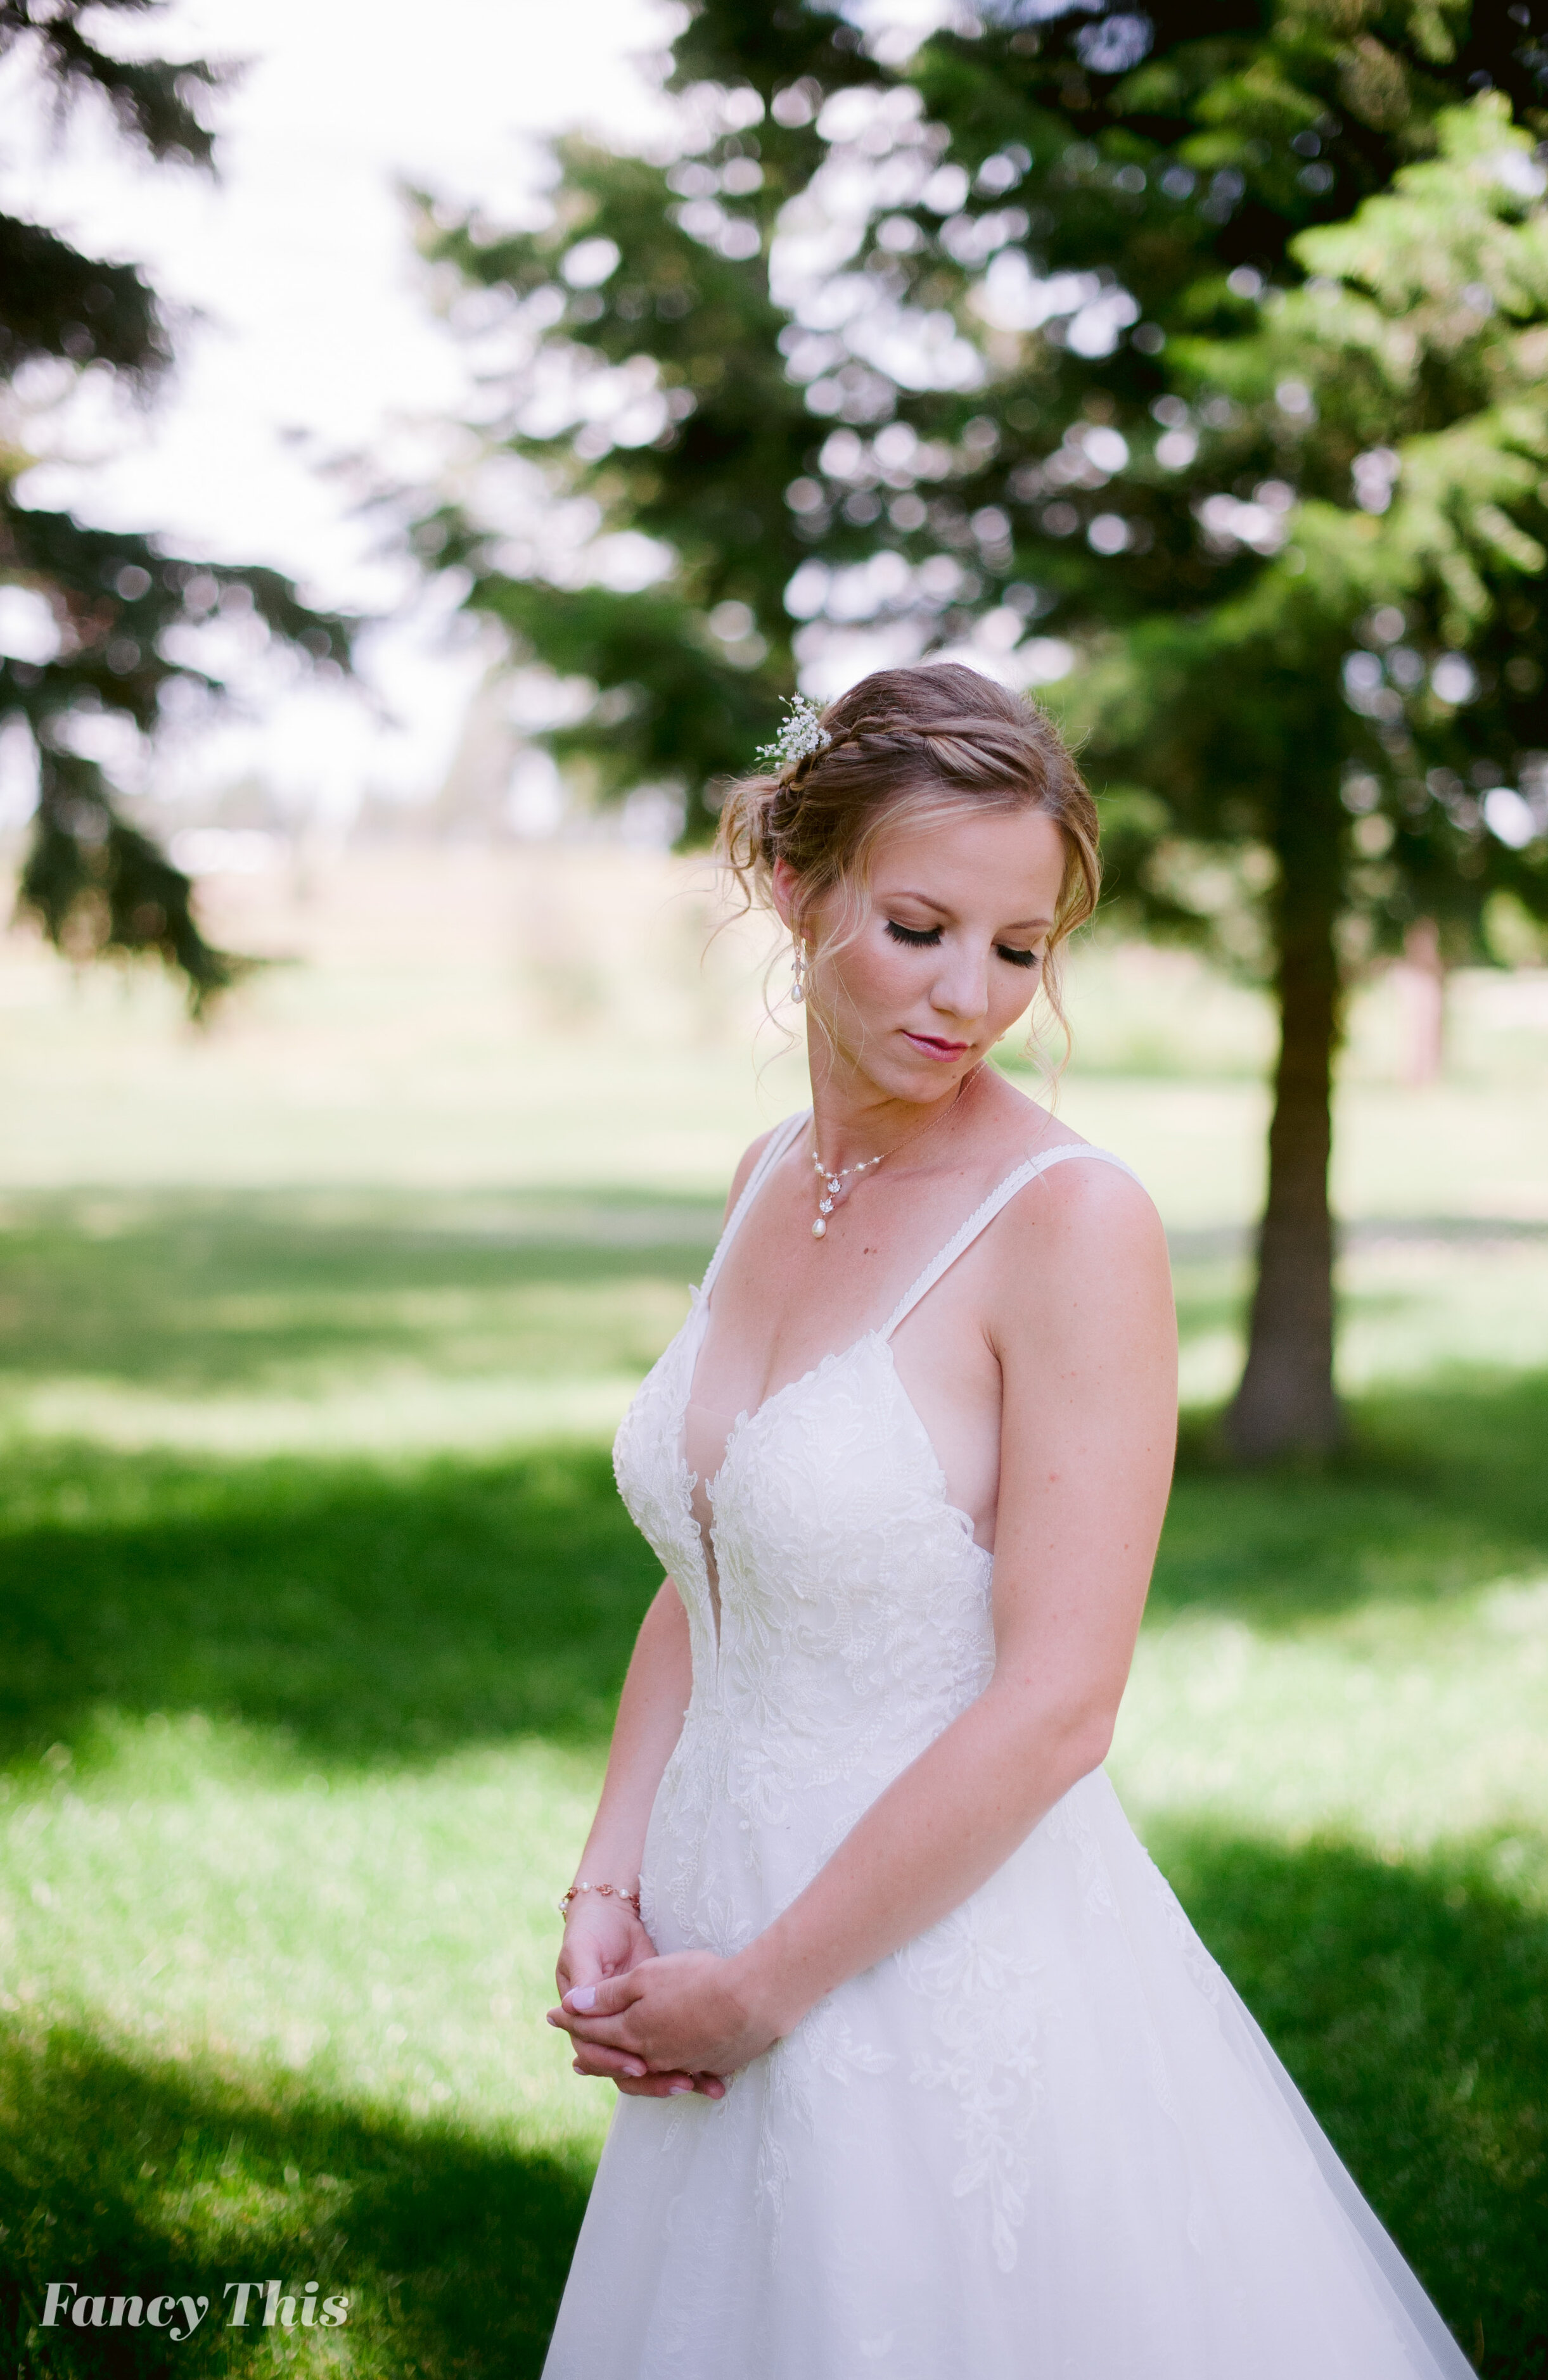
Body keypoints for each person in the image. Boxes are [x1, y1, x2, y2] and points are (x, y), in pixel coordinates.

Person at [541, 665, 1474, 2379]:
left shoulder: (1072, 1224)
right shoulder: (765, 1176)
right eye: (916, 927)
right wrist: (614, 1878)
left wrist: (765, 1988)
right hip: (705, 1920)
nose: (967, 994)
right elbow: (710, 1561)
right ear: (788, 884)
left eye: (1018, 948)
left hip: (929, 1954)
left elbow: (1059, 1705)